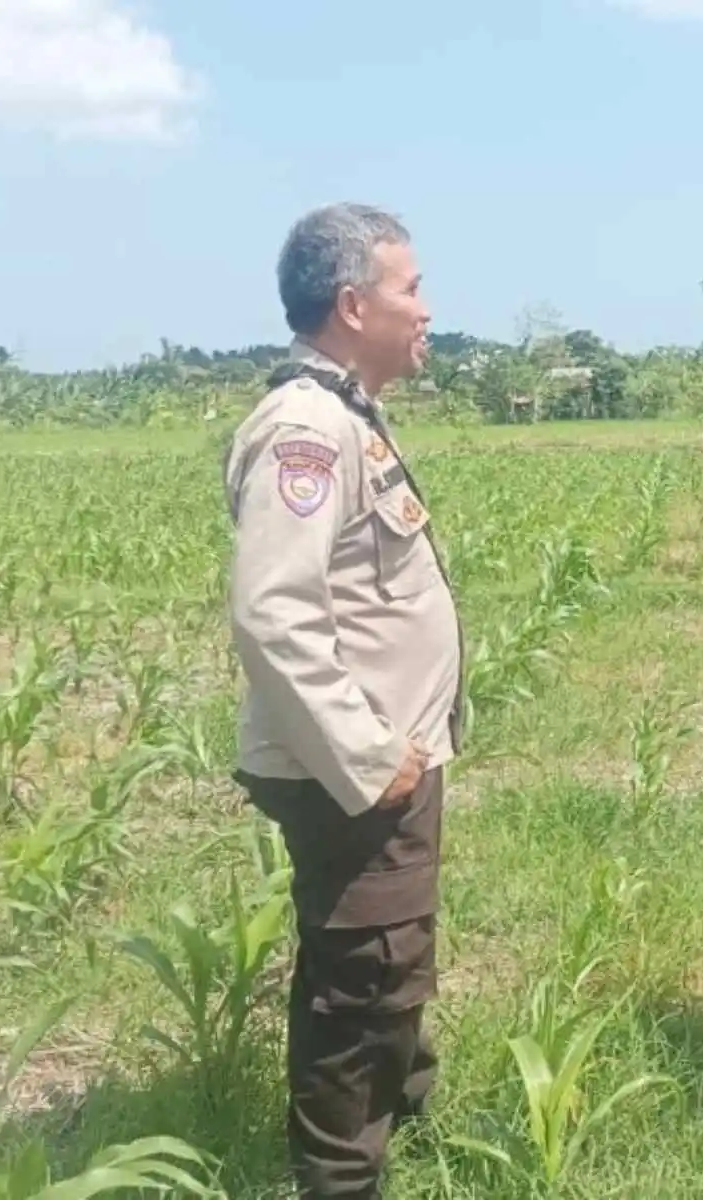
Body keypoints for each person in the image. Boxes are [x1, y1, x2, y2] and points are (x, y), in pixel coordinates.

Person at [224, 202, 463, 1198]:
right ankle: (337, 1180)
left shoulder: (345, 412)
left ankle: (402, 1119)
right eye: (411, 288)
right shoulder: (306, 429)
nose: (427, 308)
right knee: (362, 980)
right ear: (354, 303)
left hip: (380, 759)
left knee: (383, 957)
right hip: (354, 771)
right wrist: (372, 761)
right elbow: (273, 615)